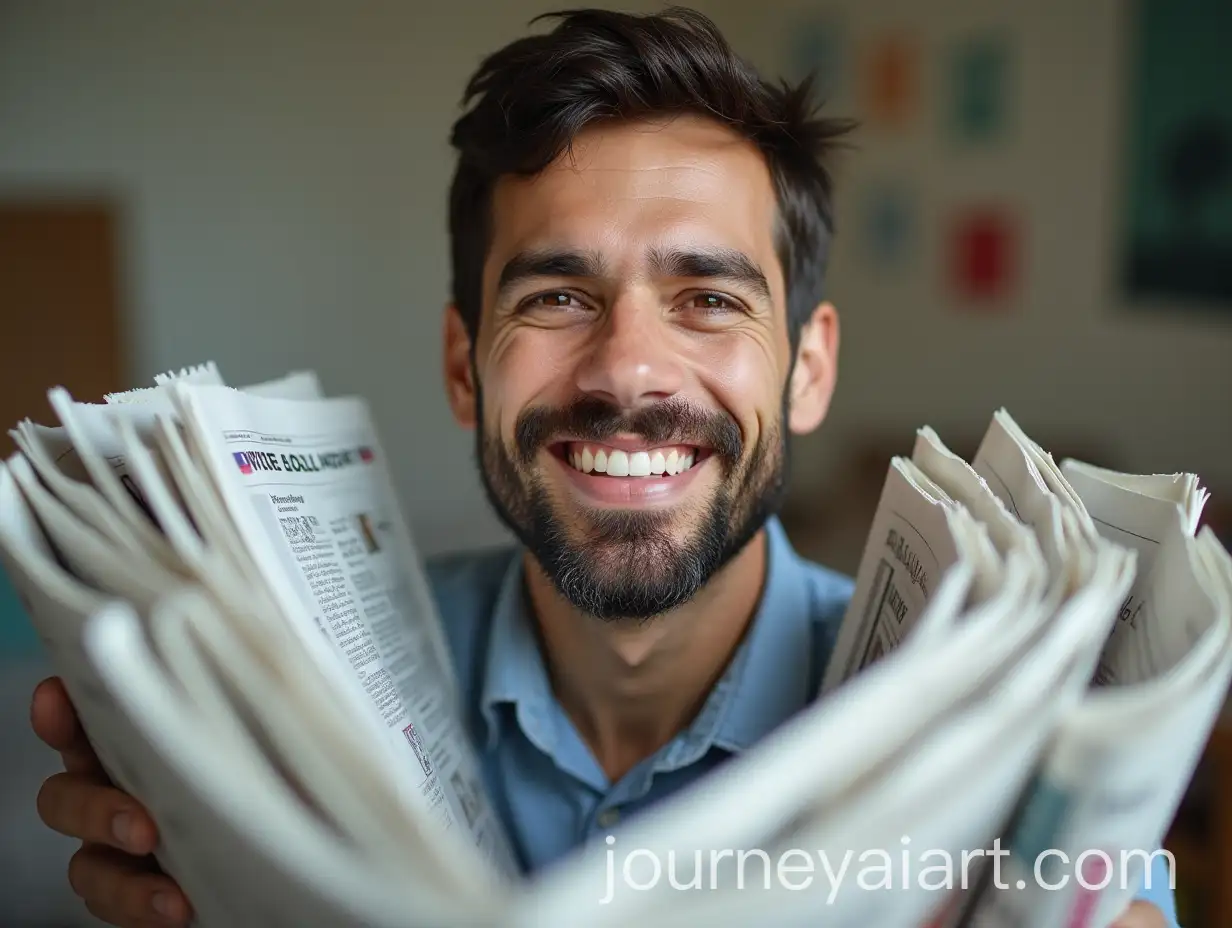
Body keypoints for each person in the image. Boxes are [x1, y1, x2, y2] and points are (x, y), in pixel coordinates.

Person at [27, 8, 1176, 927]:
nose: (628, 368)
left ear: (807, 371)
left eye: (708, 298)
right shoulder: (299, 691)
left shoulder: (1009, 728)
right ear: (464, 364)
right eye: (559, 295)